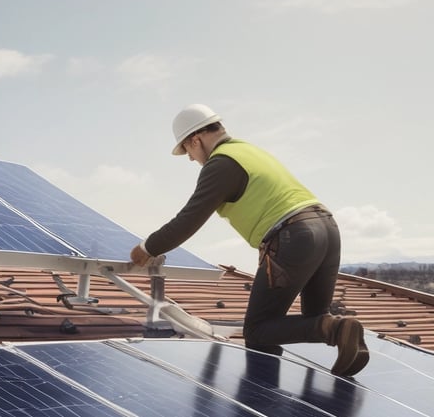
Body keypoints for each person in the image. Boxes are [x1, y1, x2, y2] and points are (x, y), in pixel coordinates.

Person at [129, 104, 368, 377]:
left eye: (188, 151)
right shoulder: (247, 150)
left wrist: (147, 247)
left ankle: (267, 393)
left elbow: (188, 220)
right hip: (327, 229)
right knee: (314, 319)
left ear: (196, 139)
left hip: (293, 235)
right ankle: (339, 331)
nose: (191, 158)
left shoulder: (221, 163)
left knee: (257, 330)